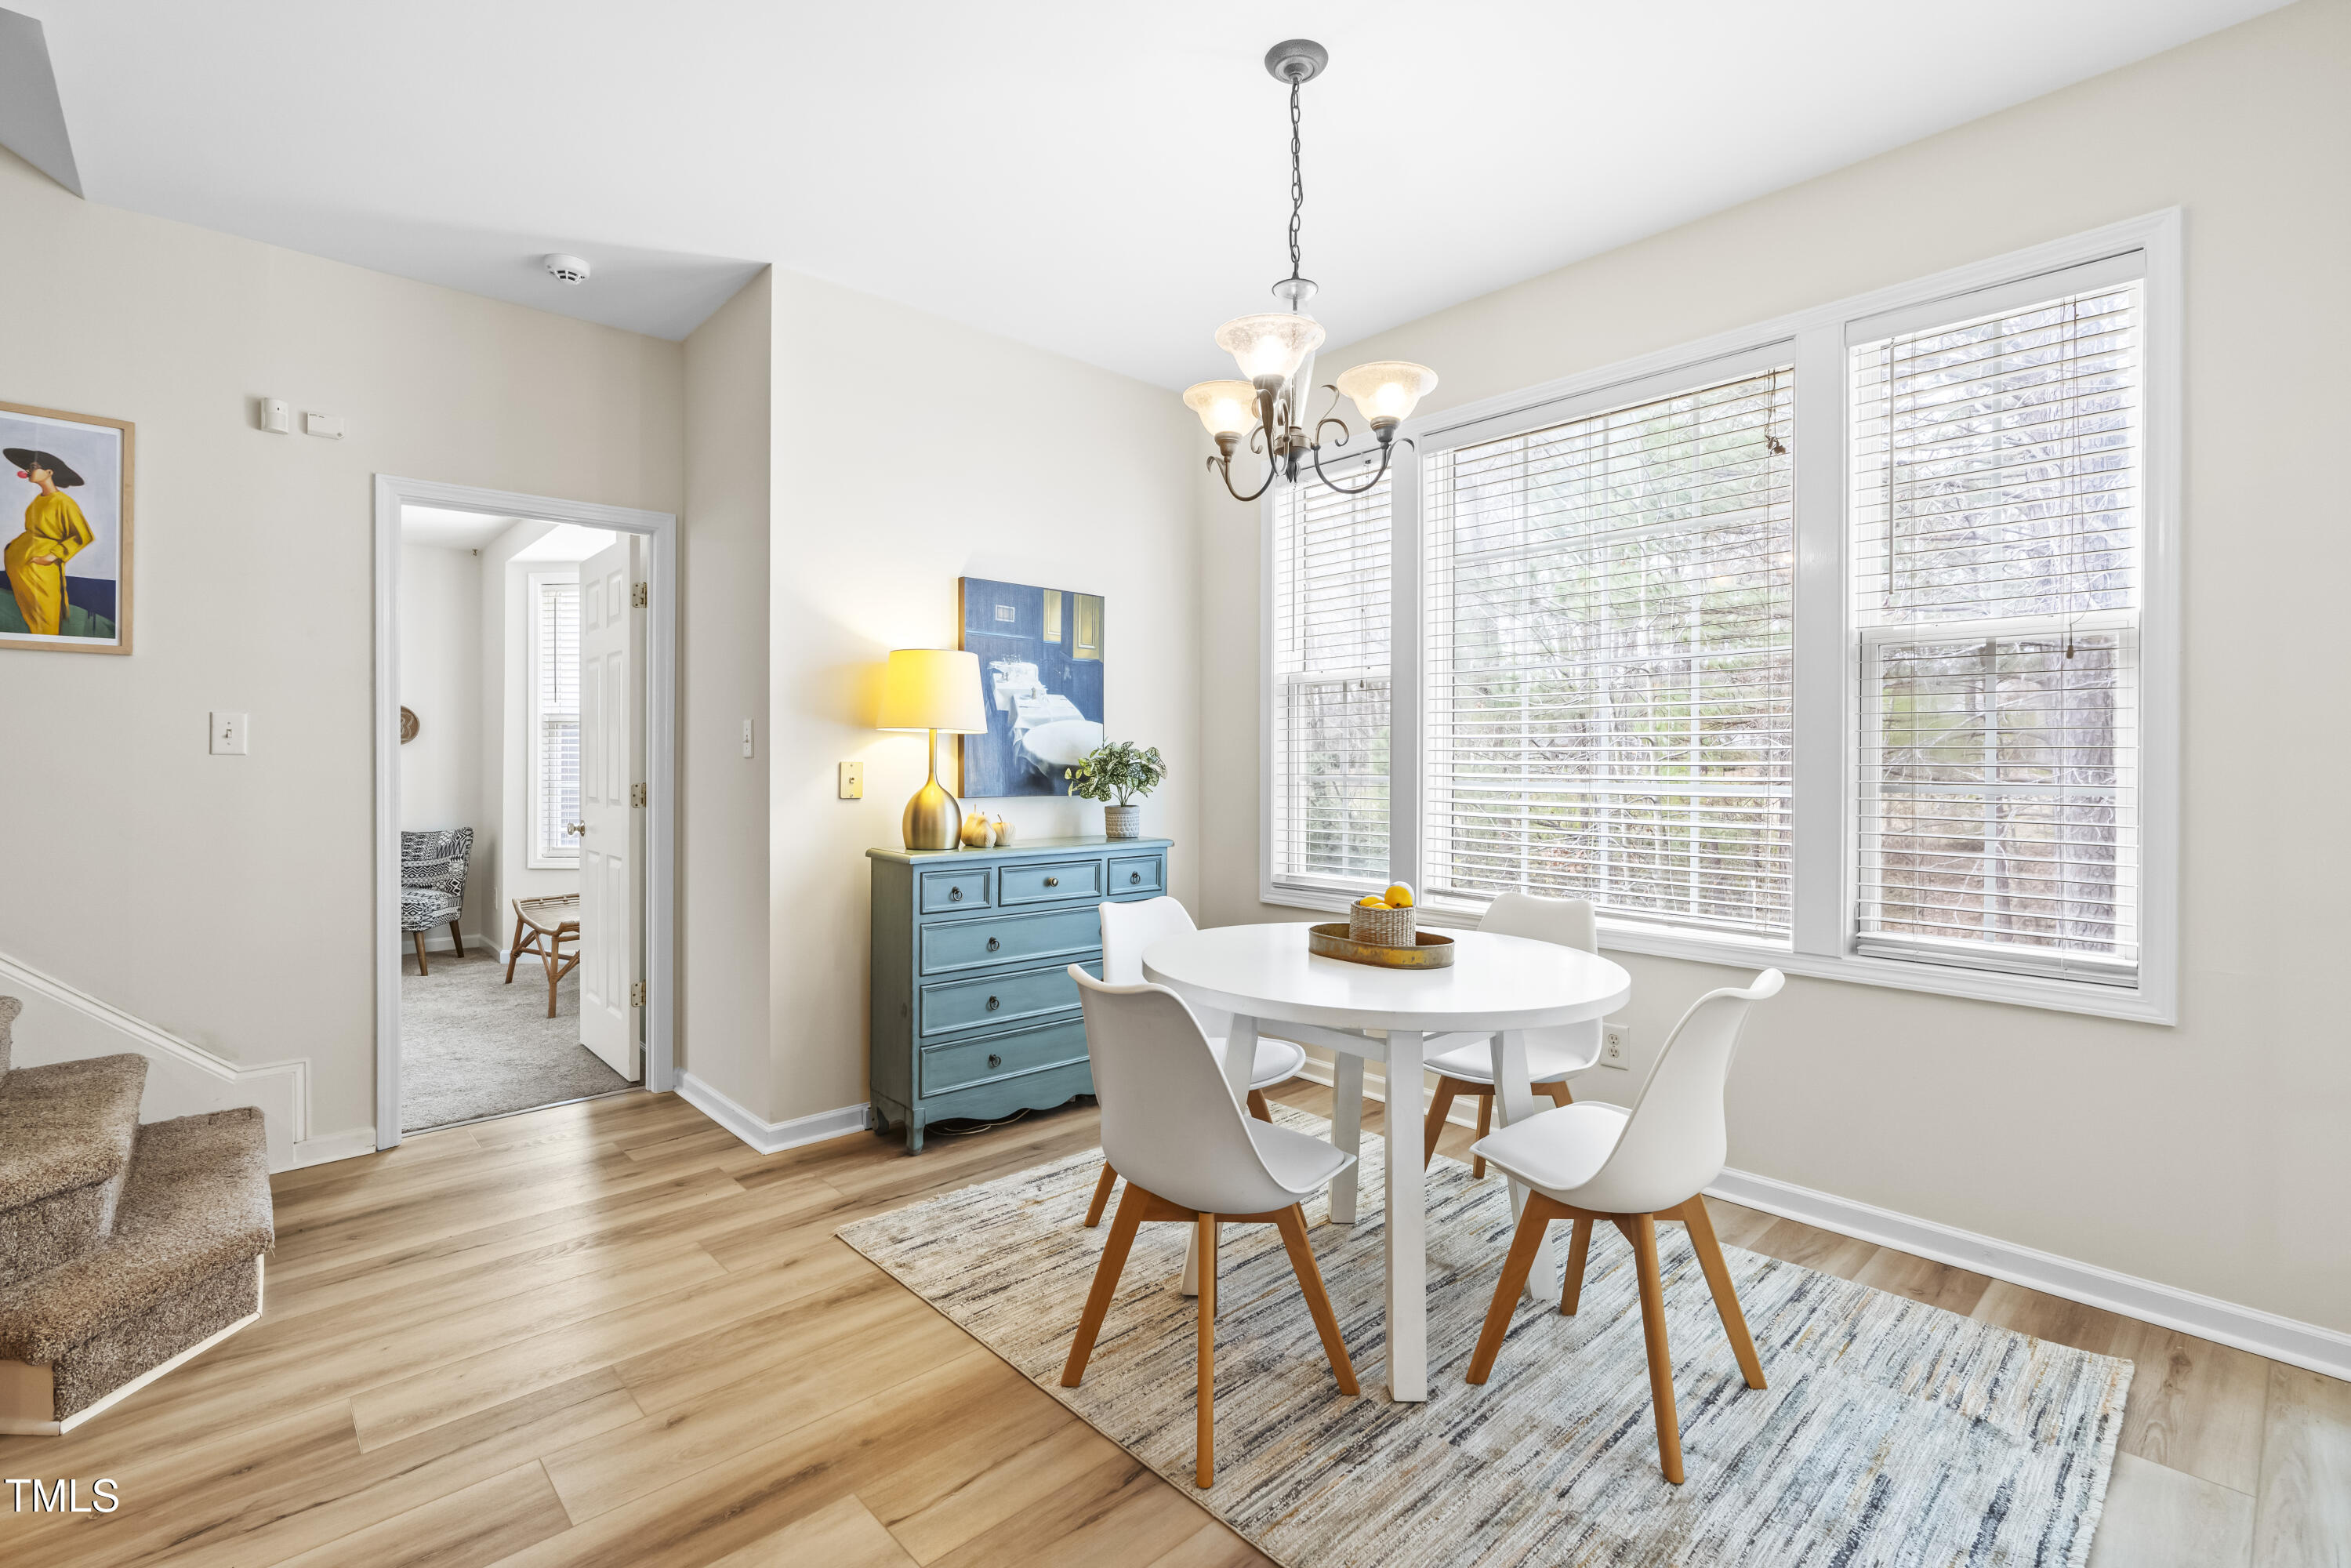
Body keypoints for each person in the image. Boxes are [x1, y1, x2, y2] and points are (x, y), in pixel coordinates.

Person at [4, 448, 93, 637]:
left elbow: (83, 536)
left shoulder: (63, 502)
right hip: (23, 575)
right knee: (30, 621)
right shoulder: (37, 501)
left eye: (33, 467)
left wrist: (51, 557)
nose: (28, 471)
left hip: (42, 573)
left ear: (49, 472)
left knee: (46, 622)